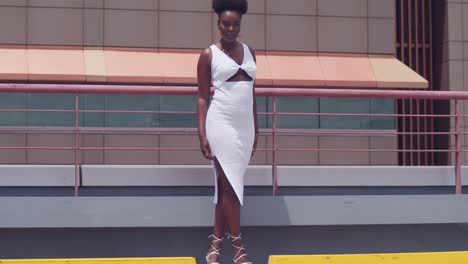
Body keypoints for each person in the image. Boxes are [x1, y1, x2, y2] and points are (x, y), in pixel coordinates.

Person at [197, 0, 257, 263]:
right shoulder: (208, 55)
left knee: (224, 187)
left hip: (245, 129)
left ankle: (215, 244)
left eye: (235, 24)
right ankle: (238, 248)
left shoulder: (250, 51)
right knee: (232, 188)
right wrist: (202, 133)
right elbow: (201, 97)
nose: (231, 28)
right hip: (219, 124)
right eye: (226, 24)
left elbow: (251, 93)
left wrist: (257, 127)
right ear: (218, 24)